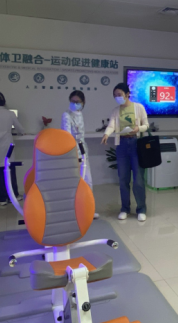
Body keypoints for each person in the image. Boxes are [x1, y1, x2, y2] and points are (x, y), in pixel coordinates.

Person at [101, 83, 149, 222]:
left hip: (135, 144)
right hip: (121, 145)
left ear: (127, 94)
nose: (117, 97)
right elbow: (111, 125)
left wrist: (138, 129)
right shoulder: (116, 110)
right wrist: (106, 134)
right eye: (115, 95)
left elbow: (146, 125)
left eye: (119, 94)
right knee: (123, 179)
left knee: (138, 179)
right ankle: (125, 209)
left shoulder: (138, 107)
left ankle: (141, 209)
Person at [62, 91, 99, 219]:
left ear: (83, 103)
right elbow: (67, 136)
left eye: (77, 102)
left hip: (83, 153)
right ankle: (74, 212)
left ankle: (88, 210)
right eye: (73, 101)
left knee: (88, 182)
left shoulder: (80, 114)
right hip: (72, 154)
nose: (75, 104)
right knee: (74, 184)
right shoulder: (66, 115)